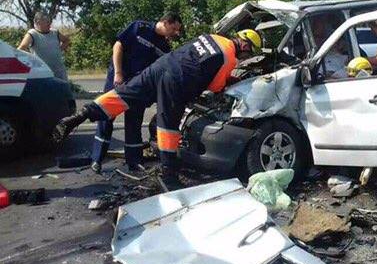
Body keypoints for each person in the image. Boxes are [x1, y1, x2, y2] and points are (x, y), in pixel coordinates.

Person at [53, 30, 262, 187]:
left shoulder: (212, 36)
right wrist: (230, 79)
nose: (245, 57)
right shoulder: (229, 57)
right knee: (168, 126)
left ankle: (78, 116)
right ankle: (168, 174)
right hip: (176, 81)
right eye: (248, 52)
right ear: (244, 45)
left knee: (123, 95)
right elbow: (216, 86)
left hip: (161, 66)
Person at [90, 13, 182, 173]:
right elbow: (118, 46)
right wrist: (118, 73)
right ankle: (97, 159)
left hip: (138, 87)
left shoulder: (165, 48)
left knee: (134, 122)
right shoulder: (139, 27)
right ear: (165, 23)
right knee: (106, 117)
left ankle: (134, 162)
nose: (176, 33)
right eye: (174, 29)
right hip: (118, 79)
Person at [17, 12, 70, 81]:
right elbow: (22, 47)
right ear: (38, 22)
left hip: (59, 70)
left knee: (62, 90)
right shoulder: (33, 34)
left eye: (50, 21)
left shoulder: (55, 32)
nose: (49, 24)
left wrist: (59, 50)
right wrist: (29, 60)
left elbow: (66, 41)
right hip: (42, 72)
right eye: (47, 21)